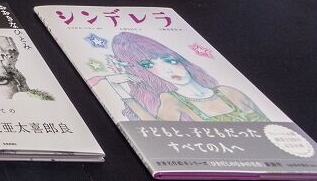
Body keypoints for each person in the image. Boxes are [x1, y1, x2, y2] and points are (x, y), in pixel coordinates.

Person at [110, 32, 267, 122]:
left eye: (169, 60)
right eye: (149, 65)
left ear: (180, 59)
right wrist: (115, 84)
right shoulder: (170, 100)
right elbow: (158, 132)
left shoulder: (228, 92)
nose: (167, 70)